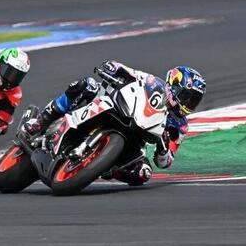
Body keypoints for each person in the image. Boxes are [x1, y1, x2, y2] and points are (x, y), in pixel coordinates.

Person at [24, 61, 206, 185]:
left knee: (143, 173)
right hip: (119, 108)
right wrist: (112, 67)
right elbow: (130, 72)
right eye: (188, 97)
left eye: (194, 101)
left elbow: (166, 162)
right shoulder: (153, 82)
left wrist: (164, 149)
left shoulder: (180, 125)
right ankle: (41, 121)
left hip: (136, 139)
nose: (189, 104)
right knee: (86, 85)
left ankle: (105, 167)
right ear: (173, 85)